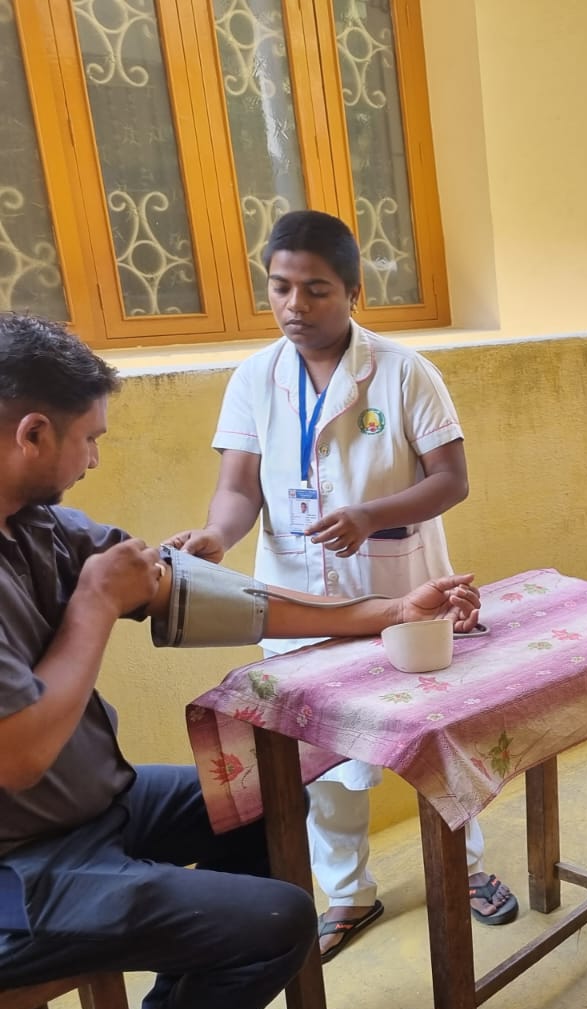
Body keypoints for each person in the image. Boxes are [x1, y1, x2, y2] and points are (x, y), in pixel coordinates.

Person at [0, 313, 481, 1009]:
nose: (94, 460)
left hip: (86, 804)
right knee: (281, 921)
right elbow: (21, 754)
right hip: (19, 865)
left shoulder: (39, 525)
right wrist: (90, 605)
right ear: (32, 432)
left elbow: (201, 595)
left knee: (264, 795)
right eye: (89, 440)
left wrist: (388, 611)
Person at [166, 211, 517, 960]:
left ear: (354, 291)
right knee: (316, 755)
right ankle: (349, 894)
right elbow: (238, 487)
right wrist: (216, 538)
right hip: (296, 596)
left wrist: (369, 515)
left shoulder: (402, 371)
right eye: (281, 288)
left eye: (316, 290)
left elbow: (451, 479)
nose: (295, 305)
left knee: (434, 738)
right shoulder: (254, 377)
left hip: (401, 591)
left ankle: (468, 866)